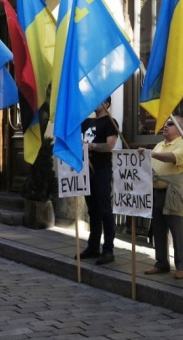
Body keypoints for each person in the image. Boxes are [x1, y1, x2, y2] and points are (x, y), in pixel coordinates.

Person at [139, 116, 183, 279]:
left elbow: (172, 158)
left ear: (181, 128)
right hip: (156, 192)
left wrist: (151, 154)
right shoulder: (159, 145)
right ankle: (161, 263)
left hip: (172, 193)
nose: (165, 126)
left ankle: (182, 265)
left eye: (170, 124)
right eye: (165, 123)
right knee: (159, 230)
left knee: (177, 231)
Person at [76, 97, 118, 265]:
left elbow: (109, 146)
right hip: (87, 171)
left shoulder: (110, 122)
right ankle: (93, 247)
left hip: (102, 170)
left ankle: (108, 249)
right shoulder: (86, 122)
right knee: (92, 209)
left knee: (105, 209)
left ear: (106, 104)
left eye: (98, 100)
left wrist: (91, 146)